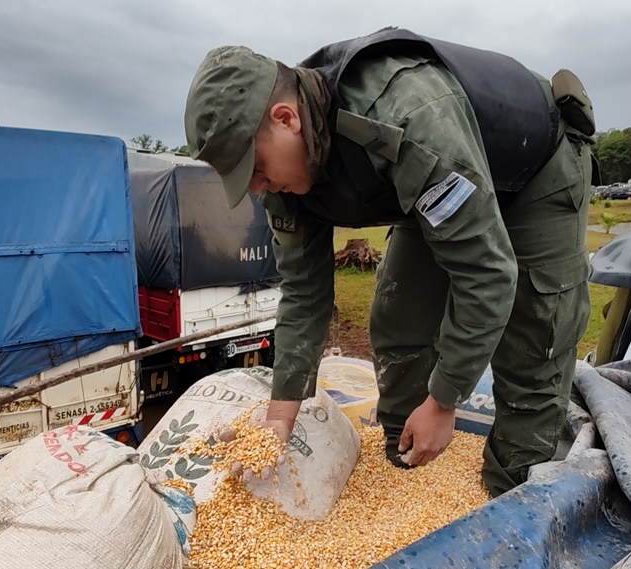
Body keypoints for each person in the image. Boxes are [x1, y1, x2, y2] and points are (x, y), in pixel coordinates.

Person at [184, 28, 597, 497]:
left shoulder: (401, 117)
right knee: (398, 319)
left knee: (533, 338)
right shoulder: (281, 182)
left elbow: (486, 271)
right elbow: (304, 295)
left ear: (286, 119)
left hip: (535, 170)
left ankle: (513, 498)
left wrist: (444, 401)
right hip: (439, 187)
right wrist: (279, 416)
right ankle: (406, 467)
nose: (256, 188)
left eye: (255, 168)